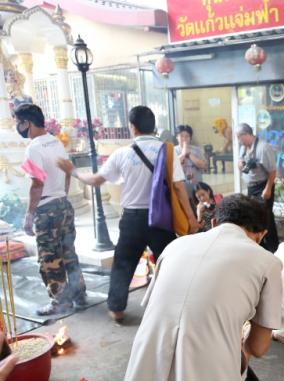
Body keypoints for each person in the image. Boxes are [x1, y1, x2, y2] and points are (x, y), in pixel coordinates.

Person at [119, 194, 282, 381]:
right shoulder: (268, 262)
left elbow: (160, 311)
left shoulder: (174, 246)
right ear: (262, 234)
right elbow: (257, 347)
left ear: (214, 222)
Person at [58, 106, 198, 323]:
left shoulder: (123, 153)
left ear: (132, 127)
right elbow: (179, 189)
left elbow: (95, 180)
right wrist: (191, 219)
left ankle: (117, 308)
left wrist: (73, 171)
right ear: (154, 126)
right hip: (161, 219)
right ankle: (178, 307)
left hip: (132, 219)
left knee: (123, 263)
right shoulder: (167, 151)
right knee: (171, 263)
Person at [16, 103, 87, 315]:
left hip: (46, 209)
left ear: (27, 123)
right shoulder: (55, 141)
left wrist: (30, 214)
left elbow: (36, 184)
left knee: (49, 258)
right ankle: (78, 293)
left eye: (18, 123)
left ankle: (61, 302)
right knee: (68, 251)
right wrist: (62, 194)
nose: (17, 128)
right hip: (63, 205)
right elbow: (66, 172)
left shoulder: (33, 148)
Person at [237, 123, 279, 253]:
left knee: (266, 217)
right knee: (254, 216)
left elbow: (272, 171)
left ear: (247, 134)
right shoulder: (244, 147)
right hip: (251, 186)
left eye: (240, 137)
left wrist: (268, 189)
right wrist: (240, 164)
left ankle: (273, 248)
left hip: (263, 185)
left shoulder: (263, 148)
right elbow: (240, 162)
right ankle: (261, 246)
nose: (239, 141)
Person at [175, 125, 207, 196]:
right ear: (177, 137)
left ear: (190, 138)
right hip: (180, 189)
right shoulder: (173, 150)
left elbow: (203, 166)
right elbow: (173, 167)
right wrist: (183, 154)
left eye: (187, 136)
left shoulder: (197, 150)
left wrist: (189, 154)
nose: (184, 138)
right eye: (181, 136)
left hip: (197, 189)